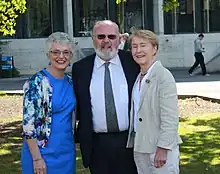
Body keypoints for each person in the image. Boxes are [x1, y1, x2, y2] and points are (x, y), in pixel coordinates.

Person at [72, 20, 139, 174]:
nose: (106, 41)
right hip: (96, 145)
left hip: (130, 141)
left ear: (119, 39)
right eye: (101, 36)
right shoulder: (80, 68)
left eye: (111, 36)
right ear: (93, 39)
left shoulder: (133, 63)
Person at [126, 30, 182, 174]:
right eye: (134, 46)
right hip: (141, 147)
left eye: (143, 45)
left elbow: (170, 117)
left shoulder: (163, 76)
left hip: (159, 150)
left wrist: (163, 149)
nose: (138, 50)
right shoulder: (139, 76)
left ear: (154, 48)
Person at [21, 32, 76, 174]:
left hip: (66, 153)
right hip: (41, 155)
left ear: (71, 56)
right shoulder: (36, 83)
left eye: (66, 52)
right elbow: (28, 126)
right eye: (56, 52)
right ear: (48, 54)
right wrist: (37, 159)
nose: (61, 56)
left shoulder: (71, 82)